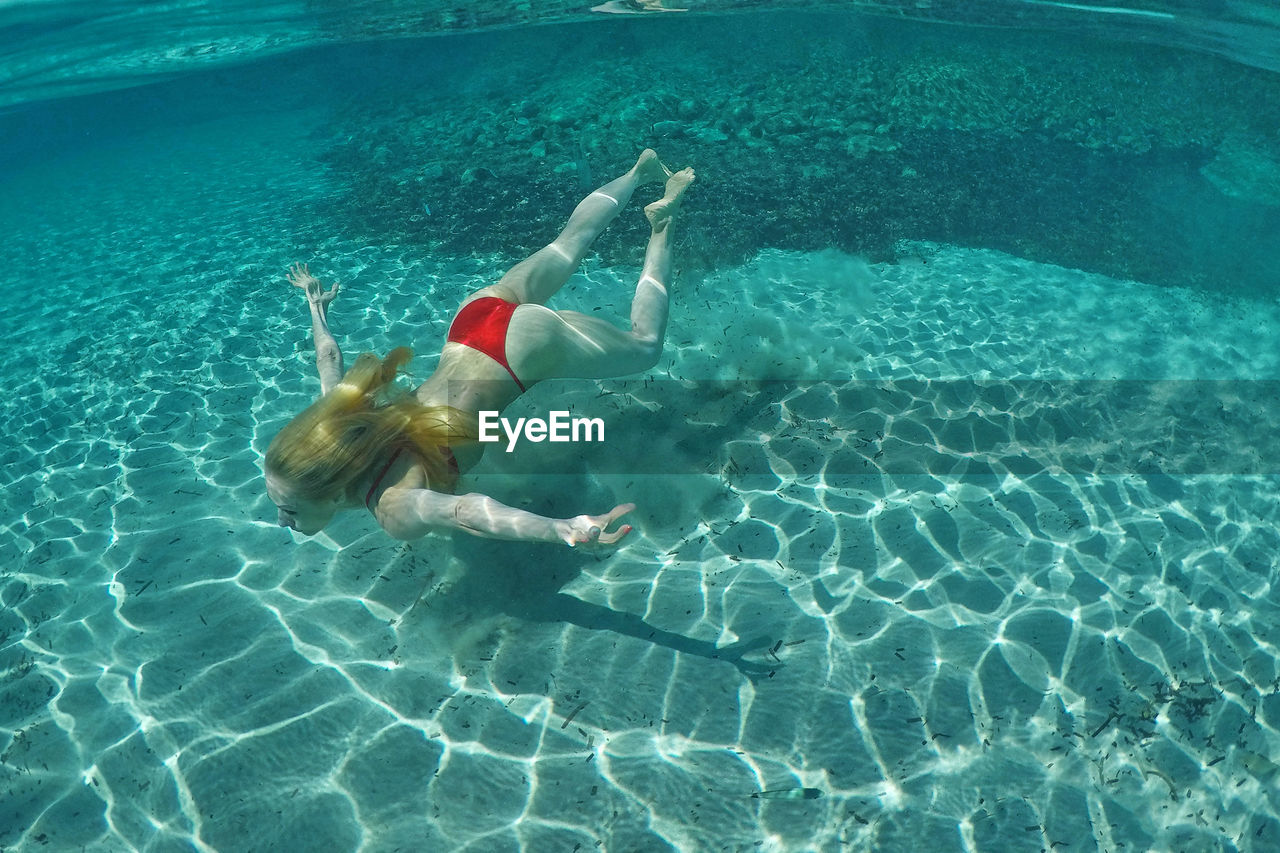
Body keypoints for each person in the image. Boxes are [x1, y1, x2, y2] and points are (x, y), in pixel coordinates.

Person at [264, 150, 694, 548]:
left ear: (334, 491)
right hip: (471, 322)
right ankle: (641, 170)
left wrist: (562, 529)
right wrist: (316, 308)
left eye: (289, 510)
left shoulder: (393, 506)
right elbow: (328, 360)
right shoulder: (336, 426)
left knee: (646, 346)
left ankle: (663, 225)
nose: (283, 521)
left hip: (517, 352)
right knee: (565, 246)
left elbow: (465, 510)